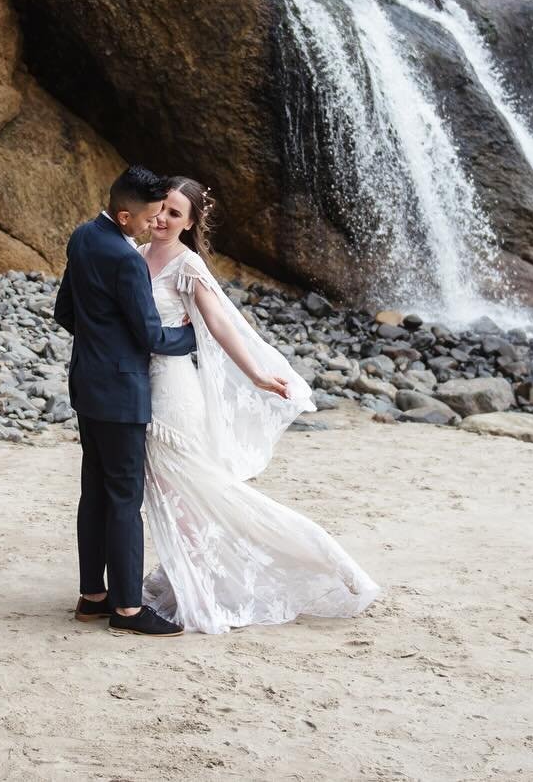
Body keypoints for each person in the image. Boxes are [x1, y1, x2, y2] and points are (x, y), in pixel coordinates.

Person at [137, 175, 380, 634]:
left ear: (189, 224)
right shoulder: (137, 256)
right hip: (138, 387)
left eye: (175, 213)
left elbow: (222, 325)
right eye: (161, 208)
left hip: (172, 392)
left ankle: (306, 559)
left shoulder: (187, 266)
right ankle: (182, 577)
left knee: (195, 491)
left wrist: (257, 375)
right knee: (171, 493)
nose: (163, 219)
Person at [53, 165, 198, 638]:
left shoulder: (81, 236)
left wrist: (101, 342)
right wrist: (194, 337)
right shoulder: (126, 257)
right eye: (149, 216)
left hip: (87, 385)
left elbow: (65, 311)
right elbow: (151, 334)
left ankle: (93, 597)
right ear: (123, 214)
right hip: (121, 392)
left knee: (94, 492)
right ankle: (129, 610)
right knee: (123, 498)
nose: (153, 225)